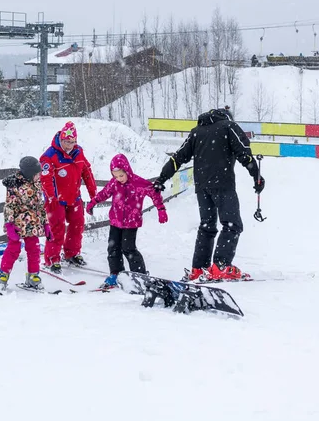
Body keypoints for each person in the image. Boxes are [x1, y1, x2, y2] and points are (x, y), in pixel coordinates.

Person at [152, 108, 265, 282]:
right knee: (232, 224)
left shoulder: (196, 132)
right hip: (223, 184)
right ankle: (221, 266)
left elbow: (178, 157)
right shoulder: (229, 126)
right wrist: (256, 177)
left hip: (202, 187)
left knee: (207, 226)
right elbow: (244, 152)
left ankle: (199, 268)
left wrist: (162, 178)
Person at [86, 153, 168, 289]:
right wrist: (93, 202)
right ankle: (116, 273)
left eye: (121, 175)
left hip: (131, 223)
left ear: (127, 171)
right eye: (115, 176)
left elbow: (154, 193)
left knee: (128, 248)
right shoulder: (114, 183)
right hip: (115, 221)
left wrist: (161, 209)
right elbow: (104, 193)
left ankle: (140, 275)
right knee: (113, 248)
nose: (119, 179)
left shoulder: (138, 183)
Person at [40, 121, 97, 273]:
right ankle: (52, 258)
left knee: (77, 224)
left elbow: (87, 172)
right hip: (56, 199)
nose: (70, 145)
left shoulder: (79, 152)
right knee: (56, 229)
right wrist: (51, 197)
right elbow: (45, 179)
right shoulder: (49, 156)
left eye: (73, 142)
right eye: (67, 142)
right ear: (61, 139)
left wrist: (93, 194)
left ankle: (72, 253)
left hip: (75, 197)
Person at [0, 156, 52, 293]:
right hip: (17, 224)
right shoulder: (15, 185)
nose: (39, 176)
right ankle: (3, 275)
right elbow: (9, 206)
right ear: (29, 174)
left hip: (33, 224)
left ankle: (33, 276)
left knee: (34, 250)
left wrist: (46, 224)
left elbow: (40, 206)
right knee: (13, 250)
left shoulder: (37, 184)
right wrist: (9, 225)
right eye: (37, 174)